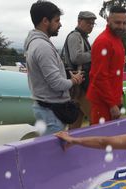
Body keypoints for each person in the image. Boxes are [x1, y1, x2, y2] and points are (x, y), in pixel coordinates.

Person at [24, 1, 84, 135]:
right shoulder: (43, 47)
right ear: (45, 21)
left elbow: (48, 77)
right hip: (51, 113)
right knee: (54, 153)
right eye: (57, 20)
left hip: (47, 109)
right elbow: (56, 83)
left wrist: (68, 77)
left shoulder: (36, 43)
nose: (60, 24)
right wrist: (74, 81)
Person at [87, 6, 126, 124]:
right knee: (101, 138)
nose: (121, 26)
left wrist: (118, 96)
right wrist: (112, 104)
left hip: (111, 100)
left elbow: (115, 72)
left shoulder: (116, 39)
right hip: (102, 102)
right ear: (108, 20)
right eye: (117, 22)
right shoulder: (103, 42)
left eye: (124, 23)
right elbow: (98, 77)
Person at [61, 11, 96, 130]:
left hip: (79, 85)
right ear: (79, 21)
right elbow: (76, 58)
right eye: (88, 22)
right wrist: (94, 54)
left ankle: (70, 146)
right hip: (79, 87)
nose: (91, 25)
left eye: (92, 23)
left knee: (75, 124)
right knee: (95, 118)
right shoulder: (75, 36)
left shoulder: (81, 37)